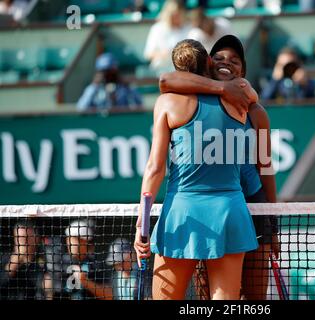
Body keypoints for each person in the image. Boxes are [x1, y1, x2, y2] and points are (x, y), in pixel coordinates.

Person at [134, 38, 259, 300]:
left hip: (181, 212)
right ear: (209, 62)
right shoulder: (241, 98)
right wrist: (225, 87)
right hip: (230, 212)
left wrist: (141, 225)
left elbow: (155, 168)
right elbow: (252, 96)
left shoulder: (167, 103)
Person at [158, 35, 279, 300]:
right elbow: (166, 80)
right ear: (209, 64)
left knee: (255, 296)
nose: (227, 63)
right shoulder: (193, 99)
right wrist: (220, 89)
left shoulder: (255, 111)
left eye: (235, 61)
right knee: (207, 295)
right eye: (220, 59)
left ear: (243, 71)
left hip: (252, 204)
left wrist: (273, 220)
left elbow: (266, 167)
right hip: (215, 211)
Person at [43, 220, 112, 300]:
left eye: (79, 240)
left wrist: (85, 281)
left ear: (87, 242)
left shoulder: (95, 264)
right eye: (72, 239)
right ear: (67, 240)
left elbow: (109, 295)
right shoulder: (57, 261)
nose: (75, 244)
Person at [77, 53, 143, 111]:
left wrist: (128, 87)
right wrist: (94, 86)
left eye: (110, 71)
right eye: (104, 71)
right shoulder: (94, 88)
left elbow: (140, 106)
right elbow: (81, 108)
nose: (108, 75)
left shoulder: (125, 87)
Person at [143, 0, 192, 75]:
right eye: (174, 15)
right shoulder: (157, 28)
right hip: (162, 70)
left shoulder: (189, 27)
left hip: (185, 70)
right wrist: (163, 54)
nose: (177, 18)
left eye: (179, 14)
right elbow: (148, 54)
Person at [0, 220, 45, 300]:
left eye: (27, 237)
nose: (23, 241)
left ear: (36, 239)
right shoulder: (4, 258)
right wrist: (10, 270)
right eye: (19, 238)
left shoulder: (45, 259)